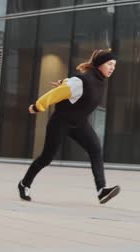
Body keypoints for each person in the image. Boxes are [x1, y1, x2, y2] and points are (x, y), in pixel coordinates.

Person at [17, 49, 120, 204]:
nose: (112, 67)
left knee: (95, 149)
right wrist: (37, 106)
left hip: (79, 123)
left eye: (114, 65)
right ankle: (24, 184)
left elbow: (71, 88)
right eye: (109, 64)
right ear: (99, 64)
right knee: (46, 157)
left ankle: (101, 191)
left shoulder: (98, 81)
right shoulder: (82, 81)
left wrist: (65, 83)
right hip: (61, 122)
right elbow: (55, 94)